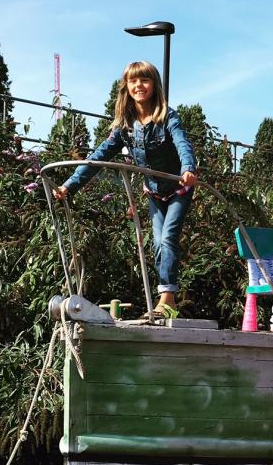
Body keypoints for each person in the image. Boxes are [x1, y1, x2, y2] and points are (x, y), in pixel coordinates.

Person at [55, 61, 197, 316]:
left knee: (168, 237)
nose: (139, 85)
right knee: (157, 242)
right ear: (127, 87)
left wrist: (188, 168)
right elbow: (99, 156)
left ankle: (166, 298)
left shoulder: (167, 117)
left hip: (179, 188)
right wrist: (70, 185)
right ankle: (169, 303)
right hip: (154, 192)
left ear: (154, 85)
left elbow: (182, 143)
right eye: (133, 81)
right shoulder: (125, 126)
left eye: (144, 80)